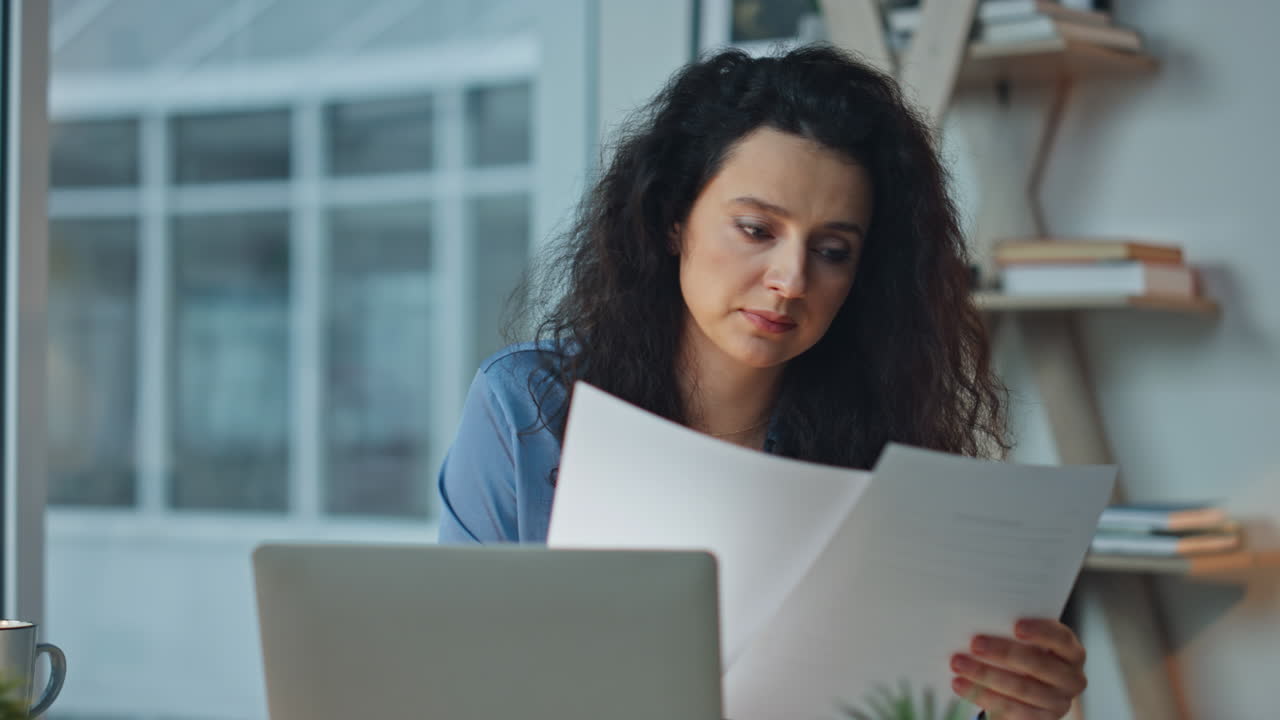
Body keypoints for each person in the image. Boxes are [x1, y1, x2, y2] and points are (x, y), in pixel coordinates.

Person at [437, 45, 1088, 719]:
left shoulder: (891, 450)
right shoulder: (525, 409)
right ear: (674, 219)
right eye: (756, 229)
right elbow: (448, 673)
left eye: (832, 251)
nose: (791, 279)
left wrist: (1015, 705)